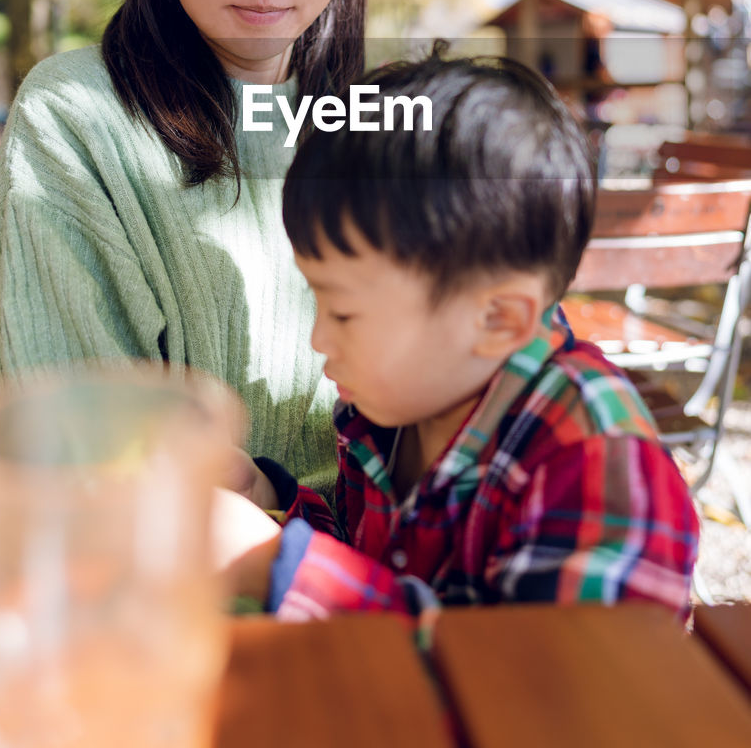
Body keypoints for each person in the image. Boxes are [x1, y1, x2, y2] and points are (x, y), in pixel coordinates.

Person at [0, 0, 381, 492]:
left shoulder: (381, 120)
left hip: (386, 572)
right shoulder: (73, 117)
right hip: (172, 569)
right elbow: (87, 448)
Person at [215, 49, 700, 618]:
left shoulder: (594, 461)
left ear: (498, 320)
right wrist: (267, 502)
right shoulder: (394, 413)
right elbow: (376, 572)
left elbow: (538, 688)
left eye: (344, 312)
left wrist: (275, 566)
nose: (319, 338)